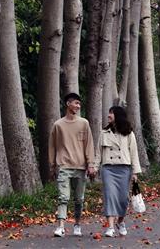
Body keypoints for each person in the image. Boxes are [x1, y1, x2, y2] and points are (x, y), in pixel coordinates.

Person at [48, 92, 97, 237]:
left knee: (79, 199)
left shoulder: (84, 123)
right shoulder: (58, 125)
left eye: (79, 104)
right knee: (63, 197)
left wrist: (91, 164)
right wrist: (52, 165)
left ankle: (77, 224)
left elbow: (89, 145)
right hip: (63, 166)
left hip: (81, 167)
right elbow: (52, 146)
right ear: (68, 104)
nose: (78, 106)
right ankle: (61, 226)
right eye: (76, 103)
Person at [97, 105, 142, 237]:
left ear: (118, 115)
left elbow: (134, 154)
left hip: (124, 169)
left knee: (124, 199)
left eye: (111, 113)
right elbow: (98, 153)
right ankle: (110, 226)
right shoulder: (103, 133)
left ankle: (120, 222)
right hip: (108, 169)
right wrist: (94, 165)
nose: (108, 116)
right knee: (109, 196)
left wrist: (135, 172)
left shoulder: (129, 133)